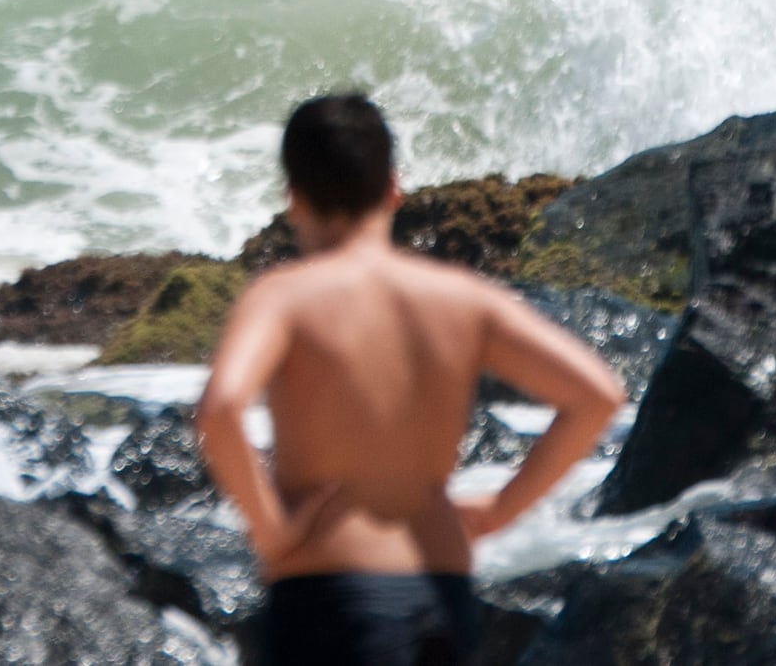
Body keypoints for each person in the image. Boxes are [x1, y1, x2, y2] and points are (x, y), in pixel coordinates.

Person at [196, 93, 628, 666]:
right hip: (440, 593)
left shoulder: (283, 296)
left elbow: (222, 408)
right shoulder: (461, 298)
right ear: (394, 188)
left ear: (294, 197)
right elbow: (597, 396)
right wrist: (501, 509)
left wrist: (271, 533)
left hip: (329, 593)